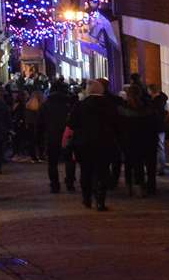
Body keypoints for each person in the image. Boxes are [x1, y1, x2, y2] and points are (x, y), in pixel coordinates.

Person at [70, 78, 121, 209]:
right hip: (104, 142)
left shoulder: (80, 105)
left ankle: (87, 198)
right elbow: (117, 124)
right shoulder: (109, 105)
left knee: (86, 171)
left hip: (83, 143)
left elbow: (72, 124)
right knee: (102, 171)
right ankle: (100, 200)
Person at [41, 81, 78, 194]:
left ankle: (55, 185)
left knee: (52, 162)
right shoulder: (70, 102)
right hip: (68, 135)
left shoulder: (46, 104)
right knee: (69, 160)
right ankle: (70, 183)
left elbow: (41, 122)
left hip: (52, 135)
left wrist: (41, 137)